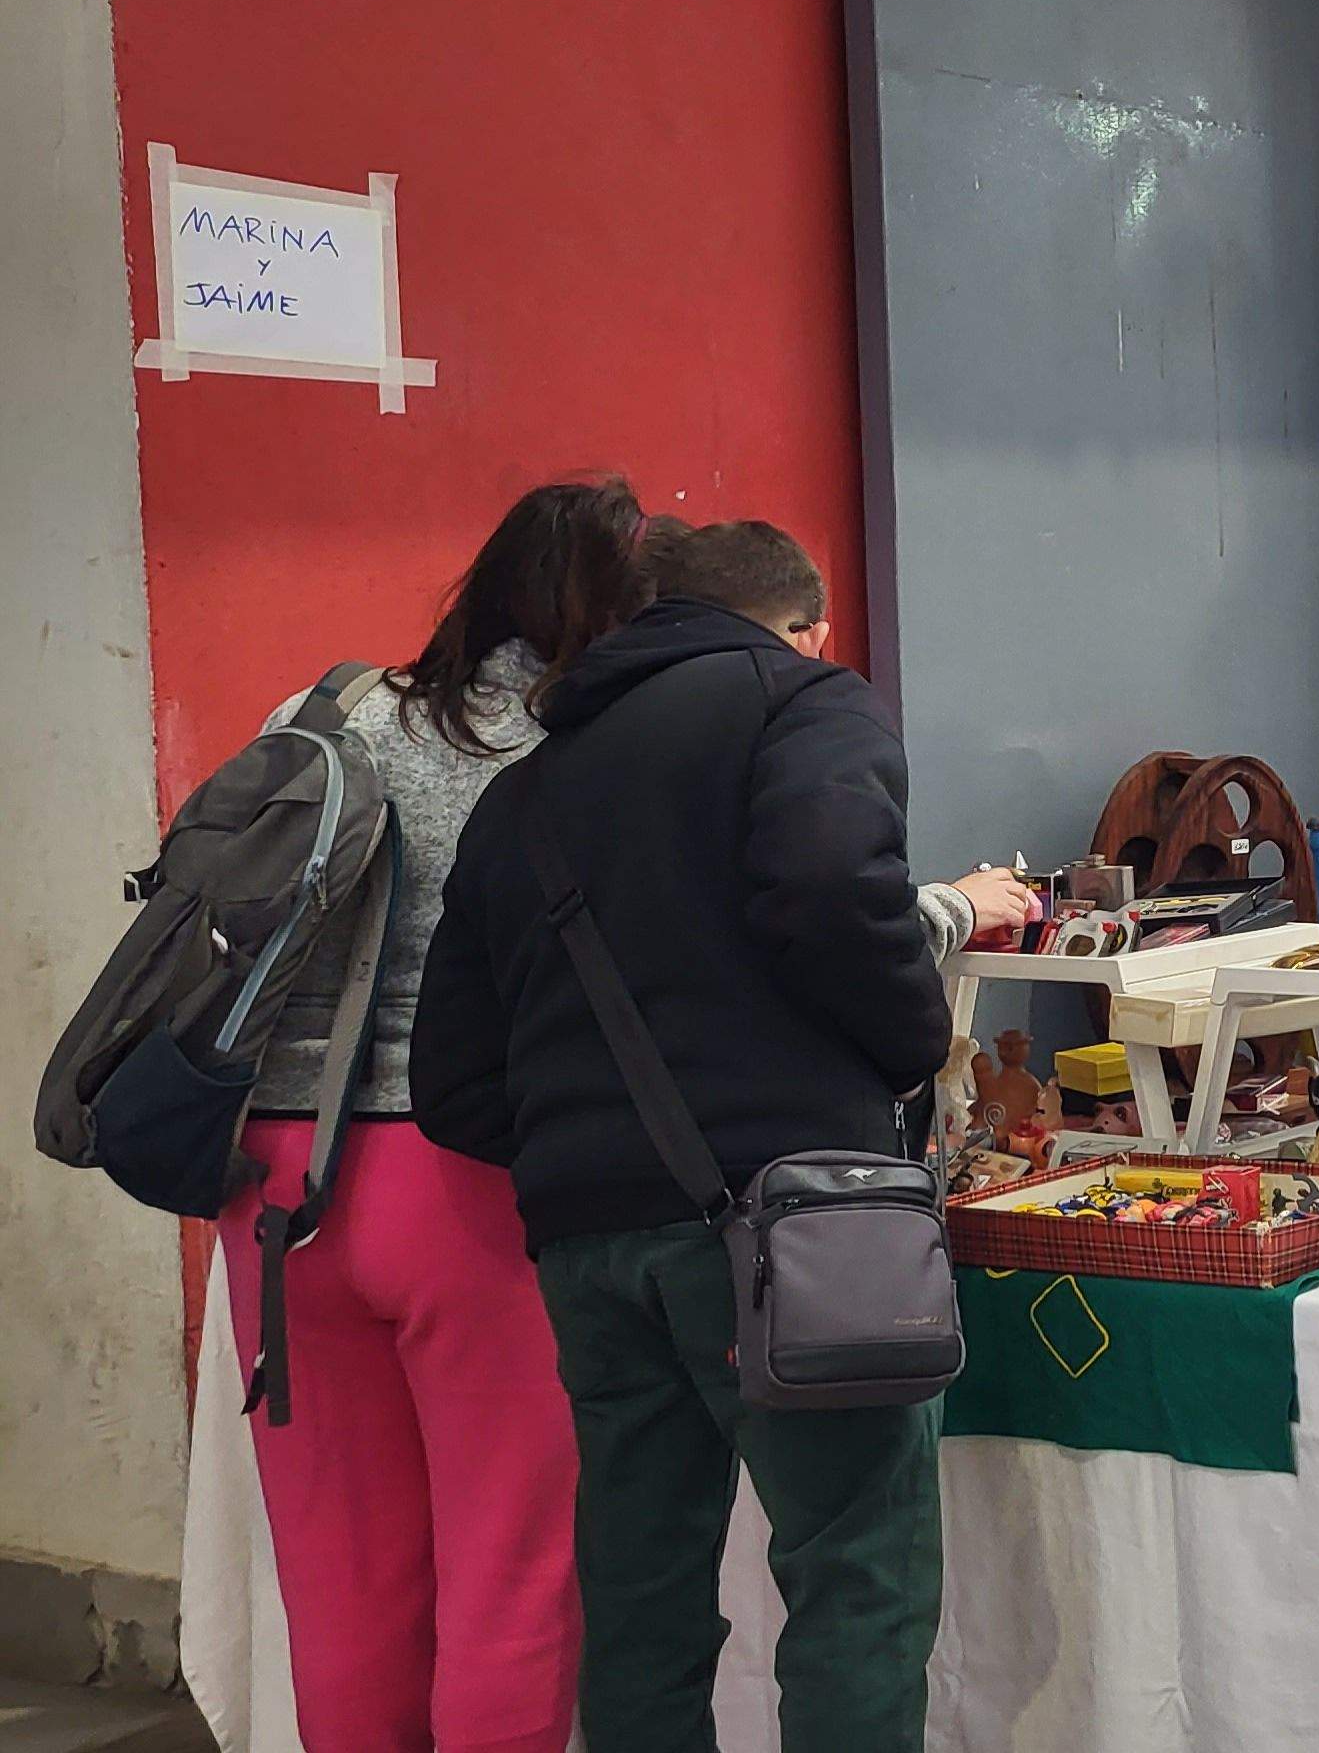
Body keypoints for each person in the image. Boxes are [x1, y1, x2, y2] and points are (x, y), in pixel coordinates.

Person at [413, 519, 1031, 1752]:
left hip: (589, 1245)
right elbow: (826, 882)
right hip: (799, 1222)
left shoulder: (523, 792)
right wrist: (906, 1053)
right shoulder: (806, 706)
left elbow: (452, 1083)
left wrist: (585, 1145)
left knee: (640, 1593)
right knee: (856, 1574)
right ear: (808, 628)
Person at [216, 479, 650, 1753]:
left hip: (269, 1178)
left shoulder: (325, 709)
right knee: (508, 1573)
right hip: (458, 1180)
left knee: (340, 1574)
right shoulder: (574, 754)